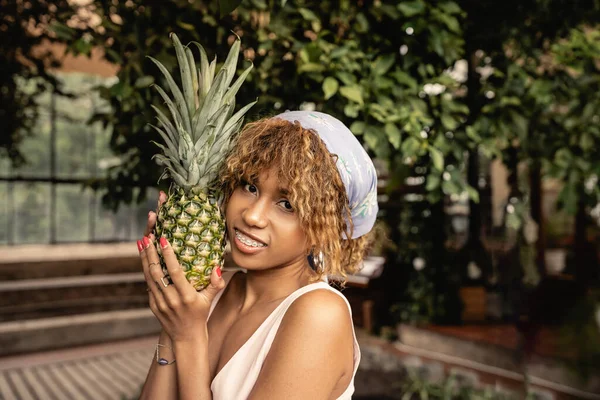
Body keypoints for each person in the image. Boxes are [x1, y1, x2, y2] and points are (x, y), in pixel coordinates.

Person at [137, 110, 378, 399]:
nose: (252, 215)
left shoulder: (319, 314)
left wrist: (188, 336)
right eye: (249, 187)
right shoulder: (216, 292)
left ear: (323, 225)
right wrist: (174, 319)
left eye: (287, 204)